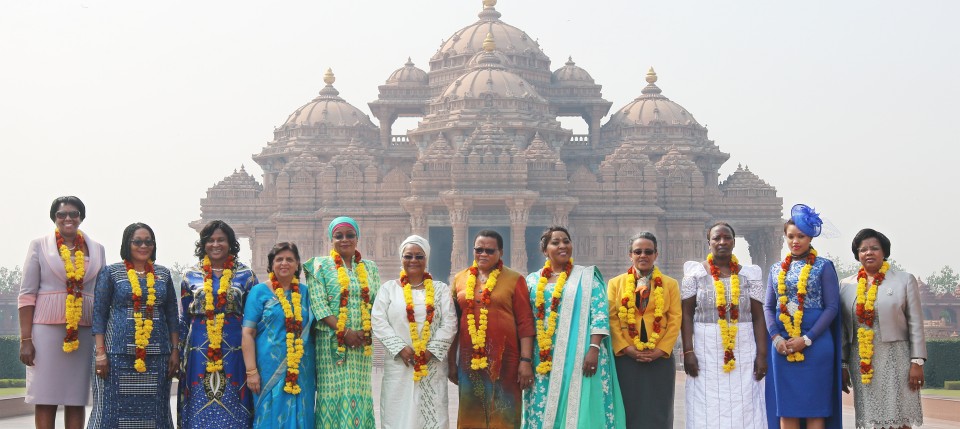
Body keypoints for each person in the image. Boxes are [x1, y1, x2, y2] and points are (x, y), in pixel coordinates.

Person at [522, 226, 626, 429]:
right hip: (543, 357)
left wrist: (594, 349)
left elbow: (599, 314)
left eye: (566, 241)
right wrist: (524, 359)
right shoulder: (532, 281)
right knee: (541, 408)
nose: (562, 245)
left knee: (581, 410)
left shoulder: (587, 278)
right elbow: (526, 320)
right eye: (555, 242)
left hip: (582, 355)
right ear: (545, 250)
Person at [17, 196, 106, 429]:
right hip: (45, 331)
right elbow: (27, 295)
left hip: (83, 331)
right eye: (62, 214)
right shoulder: (39, 245)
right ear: (54, 218)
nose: (68, 218)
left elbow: (103, 293)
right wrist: (26, 339)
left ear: (81, 217)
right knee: (45, 398)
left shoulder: (97, 249)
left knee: (75, 399)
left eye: (73, 214)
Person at [89, 223, 179, 428]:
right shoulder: (111, 273)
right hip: (116, 355)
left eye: (148, 241)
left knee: (155, 412)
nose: (143, 246)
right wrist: (101, 353)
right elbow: (99, 315)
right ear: (127, 244)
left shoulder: (163, 274)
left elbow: (172, 314)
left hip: (157, 356)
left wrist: (175, 351)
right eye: (137, 241)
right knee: (110, 411)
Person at [680, 222, 768, 429]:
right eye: (716, 238)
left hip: (743, 348)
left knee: (746, 404)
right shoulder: (695, 274)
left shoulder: (749, 275)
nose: (722, 242)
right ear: (708, 242)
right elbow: (686, 314)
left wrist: (762, 355)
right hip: (705, 349)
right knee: (706, 406)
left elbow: (758, 316)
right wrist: (688, 351)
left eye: (727, 238)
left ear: (734, 242)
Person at [763, 204, 842, 429]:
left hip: (815, 344)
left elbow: (832, 308)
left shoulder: (823, 266)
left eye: (801, 236)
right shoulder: (776, 269)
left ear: (810, 238)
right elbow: (768, 307)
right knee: (786, 409)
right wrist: (776, 338)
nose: (795, 241)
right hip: (783, 345)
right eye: (790, 236)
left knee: (816, 409)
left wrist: (807, 339)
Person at [447, 230, 535, 428]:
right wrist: (451, 362)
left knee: (504, 414)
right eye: (479, 249)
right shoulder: (460, 279)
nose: (483, 254)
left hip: (506, 361)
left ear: (500, 252)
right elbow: (454, 325)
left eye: (489, 250)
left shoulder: (514, 279)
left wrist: (526, 361)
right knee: (471, 415)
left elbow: (525, 323)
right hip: (470, 363)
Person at [840, 228, 926, 429]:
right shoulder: (846, 285)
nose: (868, 253)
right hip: (861, 359)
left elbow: (916, 323)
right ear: (857, 255)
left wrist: (917, 362)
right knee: (871, 420)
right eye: (863, 250)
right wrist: (842, 365)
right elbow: (843, 330)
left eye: (874, 248)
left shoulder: (903, 280)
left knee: (900, 417)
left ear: (884, 252)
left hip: (897, 358)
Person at [178, 220, 259, 428]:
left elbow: (254, 318)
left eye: (221, 240)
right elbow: (184, 318)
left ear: (230, 243)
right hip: (198, 349)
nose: (216, 244)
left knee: (234, 400)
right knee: (199, 402)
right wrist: (177, 355)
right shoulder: (190, 276)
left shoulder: (247, 276)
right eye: (211, 240)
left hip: (236, 349)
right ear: (203, 244)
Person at [371, 235, 458, 429]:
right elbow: (378, 320)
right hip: (399, 365)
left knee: (432, 417)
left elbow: (450, 322)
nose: (413, 261)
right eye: (408, 256)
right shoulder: (389, 289)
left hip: (431, 365)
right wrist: (400, 348)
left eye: (419, 256)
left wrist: (430, 351)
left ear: (426, 259)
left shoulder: (440, 289)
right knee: (397, 416)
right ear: (401, 258)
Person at [303, 216, 381, 428]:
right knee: (333, 394)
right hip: (331, 344)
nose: (344, 240)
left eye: (350, 235)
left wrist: (367, 330)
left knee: (360, 393)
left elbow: (377, 304)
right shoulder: (319, 266)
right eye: (339, 236)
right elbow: (319, 305)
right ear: (331, 239)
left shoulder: (370, 268)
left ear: (358, 238)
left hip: (362, 345)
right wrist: (345, 332)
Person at [607, 231, 682, 429]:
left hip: (660, 357)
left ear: (656, 254)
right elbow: (612, 318)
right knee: (627, 408)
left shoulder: (670, 284)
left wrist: (661, 350)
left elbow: (675, 319)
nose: (643, 255)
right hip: (626, 357)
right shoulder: (616, 284)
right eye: (638, 251)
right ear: (630, 255)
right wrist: (625, 348)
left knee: (659, 410)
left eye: (648, 251)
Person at [241, 242, 316, 428]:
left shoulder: (306, 293)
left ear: (297, 264)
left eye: (289, 259)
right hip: (267, 369)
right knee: (269, 416)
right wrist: (251, 372)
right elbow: (248, 333)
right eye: (279, 259)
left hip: (302, 370)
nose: (284, 263)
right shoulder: (260, 292)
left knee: (302, 417)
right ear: (271, 264)